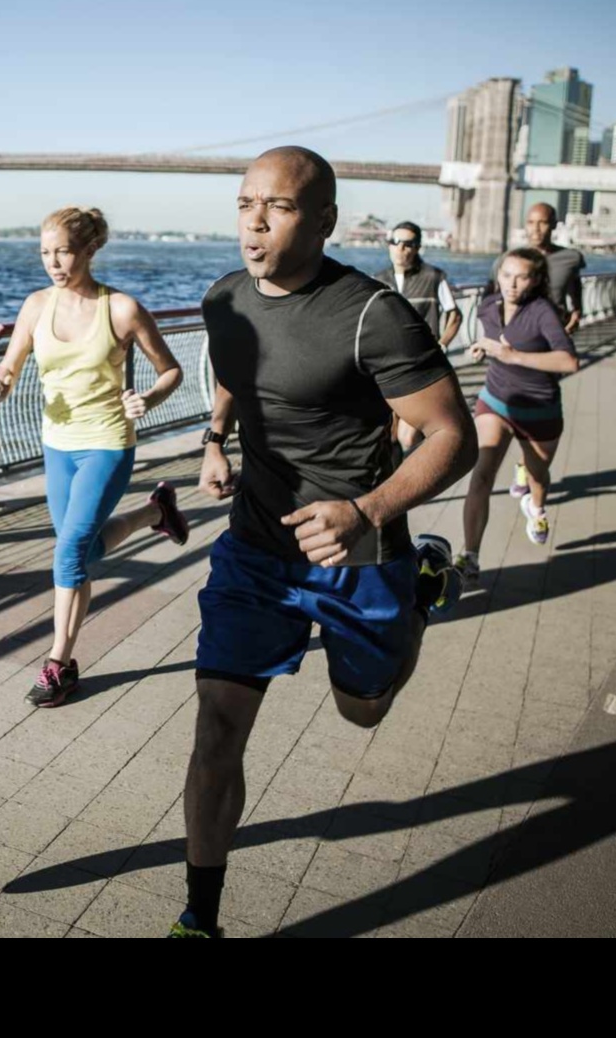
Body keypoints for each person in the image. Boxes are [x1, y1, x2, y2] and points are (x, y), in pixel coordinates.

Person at [172, 148, 475, 938]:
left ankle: (420, 591)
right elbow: (241, 370)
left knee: (361, 713)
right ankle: (200, 920)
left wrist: (366, 510)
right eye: (245, 205)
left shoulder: (375, 315)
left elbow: (454, 436)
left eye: (278, 207)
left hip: (361, 554)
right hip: (256, 550)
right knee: (217, 728)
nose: (255, 222)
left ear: (326, 220)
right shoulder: (224, 299)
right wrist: (214, 437)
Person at [0, 206, 189, 708]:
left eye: (63, 252)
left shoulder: (121, 309)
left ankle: (59, 664)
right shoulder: (35, 306)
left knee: (70, 551)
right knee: (83, 551)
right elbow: (10, 366)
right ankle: (155, 512)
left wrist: (150, 399)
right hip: (57, 444)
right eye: (45, 253)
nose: (53, 262)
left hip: (108, 442)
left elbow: (171, 371)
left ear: (90, 250)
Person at [455, 248, 580, 587]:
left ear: (536, 280)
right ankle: (470, 557)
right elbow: (491, 340)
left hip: (539, 410)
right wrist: (482, 348)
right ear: (498, 275)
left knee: (538, 476)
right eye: (507, 274)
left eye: (522, 276)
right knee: (481, 475)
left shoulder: (542, 313)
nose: (512, 283)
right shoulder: (487, 306)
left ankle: (535, 507)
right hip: (495, 400)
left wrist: (514, 356)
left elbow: (569, 362)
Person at [505, 202, 585, 502]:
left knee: (542, 405)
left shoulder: (570, 258)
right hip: (519, 341)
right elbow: (496, 296)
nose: (536, 229)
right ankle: (527, 464)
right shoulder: (512, 260)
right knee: (512, 405)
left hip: (551, 345)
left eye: (542, 223)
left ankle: (526, 465)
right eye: (530, 222)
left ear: (554, 225)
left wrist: (577, 312)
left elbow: (575, 290)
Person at [372, 220, 462, 453]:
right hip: (386, 367)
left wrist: (442, 344)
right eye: (395, 242)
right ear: (388, 245)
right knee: (389, 435)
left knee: (407, 436)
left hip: (422, 368)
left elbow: (455, 314)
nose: (401, 248)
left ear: (418, 247)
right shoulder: (378, 279)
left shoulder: (433, 277)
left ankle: (421, 475)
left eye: (408, 244)